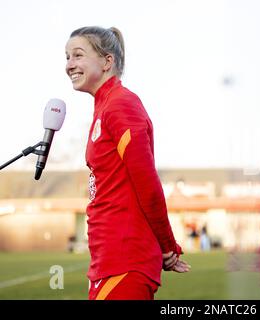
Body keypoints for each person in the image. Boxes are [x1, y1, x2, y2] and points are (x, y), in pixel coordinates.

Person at [65, 26, 190, 300]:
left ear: (107, 61)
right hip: (107, 260)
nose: (69, 64)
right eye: (67, 57)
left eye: (78, 55)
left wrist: (167, 245)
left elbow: (147, 183)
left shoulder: (121, 105)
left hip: (124, 261)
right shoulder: (104, 105)